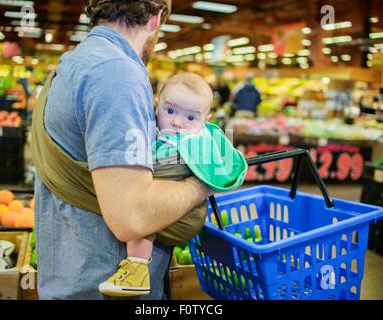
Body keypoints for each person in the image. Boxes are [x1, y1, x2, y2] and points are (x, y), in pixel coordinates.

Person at [30, 0, 215, 300]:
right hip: (103, 286)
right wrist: (204, 182)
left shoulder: (77, 60)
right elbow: (133, 218)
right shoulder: (117, 73)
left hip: (74, 276)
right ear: (155, 20)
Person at [98, 73, 247, 297]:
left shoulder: (194, 143)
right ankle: (161, 257)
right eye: (170, 111)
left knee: (141, 221)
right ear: (157, 107)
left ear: (206, 121)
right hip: (178, 213)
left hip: (184, 213)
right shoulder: (162, 134)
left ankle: (136, 269)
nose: (177, 122)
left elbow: (223, 163)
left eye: (190, 118)